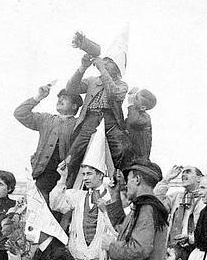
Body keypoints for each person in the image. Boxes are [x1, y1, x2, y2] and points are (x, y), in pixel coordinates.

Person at [64, 53, 128, 188]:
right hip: (90, 119)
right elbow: (71, 89)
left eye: (109, 62)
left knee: (122, 150)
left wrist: (102, 70)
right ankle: (68, 187)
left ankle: (119, 186)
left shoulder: (122, 85)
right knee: (74, 153)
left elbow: (114, 93)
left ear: (117, 67)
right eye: (104, 61)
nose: (104, 63)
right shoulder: (92, 81)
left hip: (109, 120)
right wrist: (82, 67)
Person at [14, 85, 83, 200]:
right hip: (42, 176)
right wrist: (38, 97)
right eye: (59, 97)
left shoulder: (79, 124)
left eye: (65, 98)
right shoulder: (45, 119)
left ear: (74, 106)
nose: (60, 100)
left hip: (66, 179)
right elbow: (20, 113)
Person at [154, 165, 205, 249]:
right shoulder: (177, 197)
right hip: (174, 249)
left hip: (194, 248)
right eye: (183, 173)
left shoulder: (204, 199)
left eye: (188, 172)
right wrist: (166, 179)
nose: (183, 175)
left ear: (199, 178)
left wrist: (190, 238)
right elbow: (156, 203)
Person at [123, 87, 157, 165]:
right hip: (131, 155)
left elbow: (133, 121)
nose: (133, 99)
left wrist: (131, 105)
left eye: (136, 98)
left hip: (140, 159)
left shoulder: (145, 117)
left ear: (143, 108)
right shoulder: (133, 115)